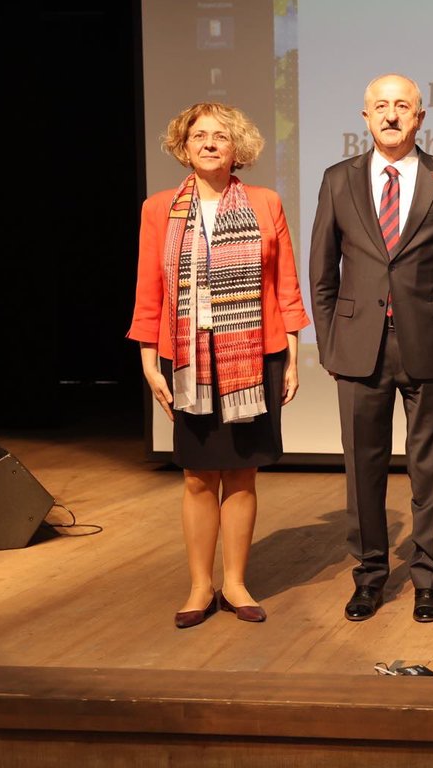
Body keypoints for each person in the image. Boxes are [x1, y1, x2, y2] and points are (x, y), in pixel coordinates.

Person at [128, 102, 310, 628]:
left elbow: (285, 284)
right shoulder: (158, 208)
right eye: (199, 136)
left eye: (220, 137)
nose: (209, 144)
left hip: (256, 356)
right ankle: (199, 586)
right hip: (184, 356)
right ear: (183, 147)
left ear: (239, 149)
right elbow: (148, 288)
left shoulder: (264, 202)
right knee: (197, 477)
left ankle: (234, 582)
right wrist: (147, 358)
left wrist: (293, 356)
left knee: (243, 474)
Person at [309, 74, 433, 624]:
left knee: (430, 468)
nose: (390, 115)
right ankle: (370, 576)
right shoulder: (338, 180)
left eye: (401, 106)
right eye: (380, 106)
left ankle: (430, 578)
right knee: (363, 468)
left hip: (431, 346)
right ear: (364, 117)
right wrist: (332, 343)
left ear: (420, 117)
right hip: (358, 348)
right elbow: (321, 274)